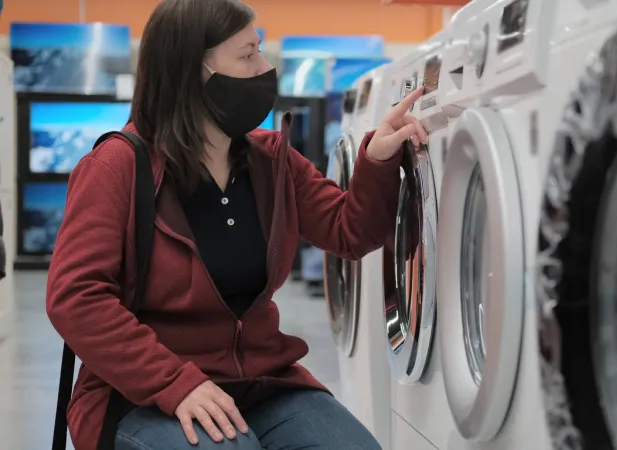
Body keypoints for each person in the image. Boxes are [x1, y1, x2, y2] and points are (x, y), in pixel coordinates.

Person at [45, 1, 428, 449]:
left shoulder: (271, 161)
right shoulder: (117, 166)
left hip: (262, 384)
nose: (266, 69)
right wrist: (176, 383)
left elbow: (348, 231)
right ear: (192, 72)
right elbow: (76, 297)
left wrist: (378, 159)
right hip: (139, 393)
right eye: (248, 55)